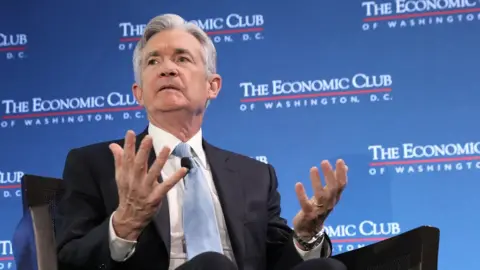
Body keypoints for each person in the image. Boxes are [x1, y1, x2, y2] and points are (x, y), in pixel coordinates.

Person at [55, 13, 349, 270]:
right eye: (153, 61)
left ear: (213, 86)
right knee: (212, 264)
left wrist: (306, 236)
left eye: (182, 58)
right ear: (138, 93)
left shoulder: (254, 176)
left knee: (329, 267)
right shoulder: (98, 164)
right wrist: (124, 224)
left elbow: (276, 263)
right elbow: (67, 259)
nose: (167, 69)